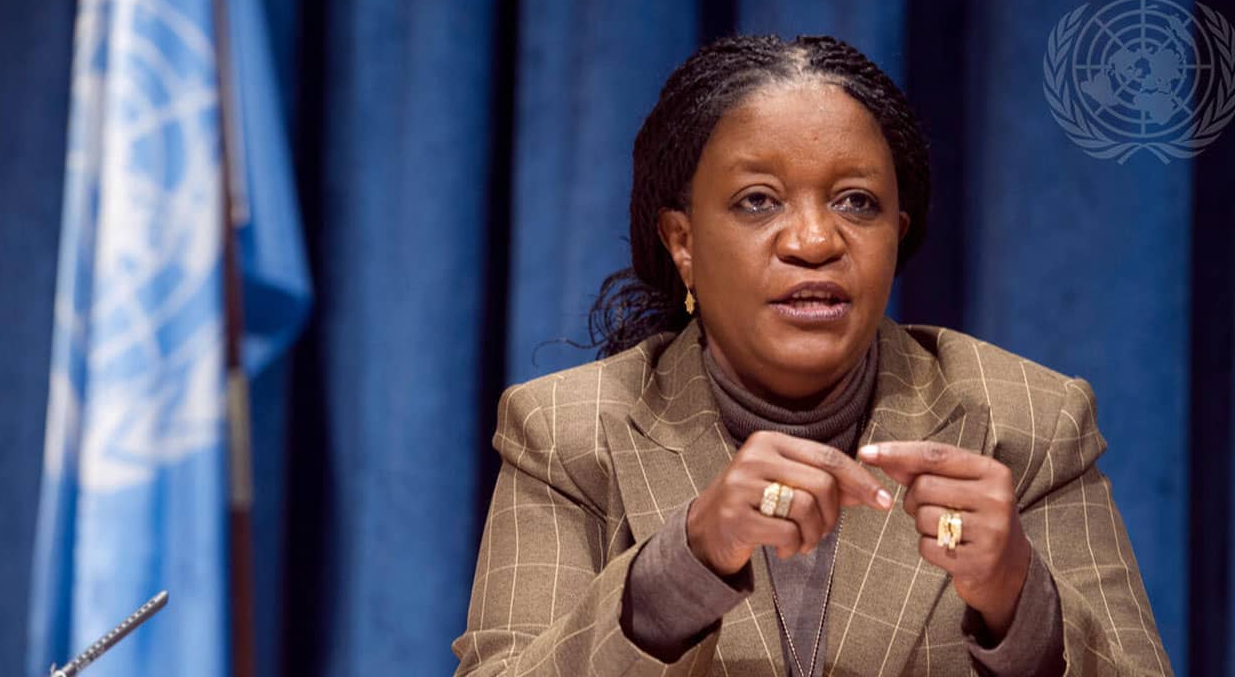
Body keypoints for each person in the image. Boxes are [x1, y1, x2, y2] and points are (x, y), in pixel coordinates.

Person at [452, 35, 1171, 676]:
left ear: (898, 232)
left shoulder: (1030, 421)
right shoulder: (569, 432)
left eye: (857, 202)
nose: (814, 241)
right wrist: (683, 565)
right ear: (683, 242)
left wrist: (1022, 601)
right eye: (758, 201)